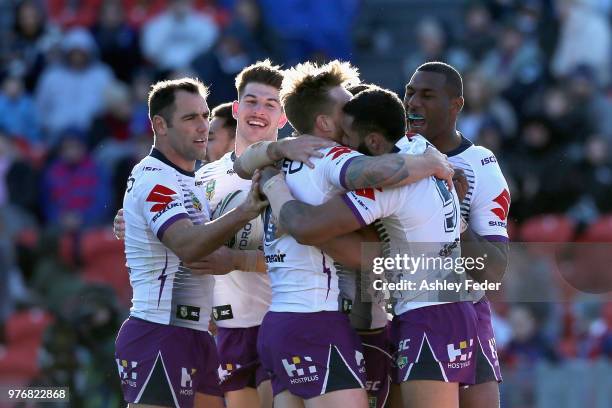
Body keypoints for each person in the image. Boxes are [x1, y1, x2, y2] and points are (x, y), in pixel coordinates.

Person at [233, 60, 454, 408]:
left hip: (277, 324)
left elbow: (241, 163)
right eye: (344, 106)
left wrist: (272, 154)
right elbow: (377, 169)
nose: (352, 109)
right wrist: (431, 163)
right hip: (316, 322)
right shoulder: (327, 156)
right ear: (323, 123)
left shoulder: (284, 155)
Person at [114, 61, 331, 408]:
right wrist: (133, 220)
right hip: (219, 332)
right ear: (235, 108)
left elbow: (316, 255)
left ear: (283, 118)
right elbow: (184, 237)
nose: (258, 111)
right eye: (251, 101)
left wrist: (238, 260)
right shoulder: (205, 178)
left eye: (270, 104)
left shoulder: (302, 174)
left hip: (280, 323)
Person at [114, 77, 267, 408]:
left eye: (205, 115)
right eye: (190, 118)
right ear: (160, 125)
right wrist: (246, 211)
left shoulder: (189, 180)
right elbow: (188, 245)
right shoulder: (156, 178)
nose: (203, 127)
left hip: (196, 334)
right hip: (159, 332)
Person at [404, 61, 510, 408]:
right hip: (399, 316)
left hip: (465, 314)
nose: (413, 102)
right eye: (409, 93)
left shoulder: (479, 164)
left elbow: (492, 272)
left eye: (427, 95)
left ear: (456, 105)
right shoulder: (390, 157)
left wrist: (454, 216)